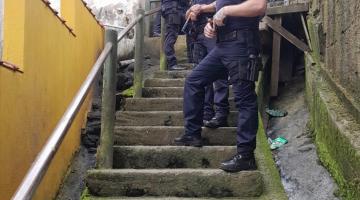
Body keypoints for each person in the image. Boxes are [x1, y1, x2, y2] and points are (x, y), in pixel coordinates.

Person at [175, 0, 266, 172]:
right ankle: (192, 134)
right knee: (193, 81)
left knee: (244, 99)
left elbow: (259, 5)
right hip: (222, 45)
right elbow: (222, 3)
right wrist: (207, 15)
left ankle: (245, 156)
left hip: (242, 44)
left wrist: (226, 10)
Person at [185, 0, 229, 128]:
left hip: (213, 31)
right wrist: (190, 12)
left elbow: (224, 4)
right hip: (197, 35)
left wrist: (202, 9)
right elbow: (188, 13)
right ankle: (207, 112)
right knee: (202, 77)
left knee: (219, 74)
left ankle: (221, 113)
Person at [161, 0, 190, 70]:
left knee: (190, 32)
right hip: (173, 10)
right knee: (171, 36)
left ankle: (191, 59)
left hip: (179, 9)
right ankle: (171, 64)